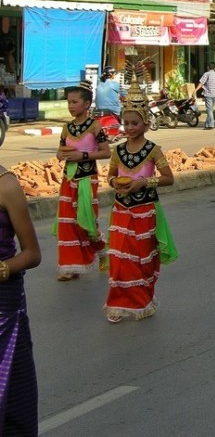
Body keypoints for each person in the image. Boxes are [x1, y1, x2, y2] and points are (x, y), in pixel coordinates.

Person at [105, 79, 177, 322]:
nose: (130, 127)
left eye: (135, 122)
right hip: (121, 210)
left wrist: (144, 182)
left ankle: (141, 301)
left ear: (146, 122)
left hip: (145, 211)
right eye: (126, 122)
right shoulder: (117, 151)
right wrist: (116, 184)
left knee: (141, 259)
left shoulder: (153, 150)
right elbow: (110, 177)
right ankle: (116, 304)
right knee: (117, 258)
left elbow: (169, 178)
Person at [53, 81, 111, 280]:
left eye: (75, 102)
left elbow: (106, 152)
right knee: (67, 223)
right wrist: (61, 155)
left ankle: (102, 249)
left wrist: (82, 156)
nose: (70, 106)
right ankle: (70, 267)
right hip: (68, 179)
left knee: (85, 223)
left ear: (87, 104)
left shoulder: (95, 125)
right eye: (69, 102)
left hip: (87, 178)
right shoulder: (66, 128)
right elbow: (61, 150)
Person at [0, 164, 41, 434]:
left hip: (4, 307)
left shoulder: (6, 185)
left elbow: (32, 253)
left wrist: (2, 269)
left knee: (11, 394)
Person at [195, 62, 215, 130]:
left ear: (208, 67)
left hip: (209, 94)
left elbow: (201, 83)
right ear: (214, 68)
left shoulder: (207, 74)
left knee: (209, 110)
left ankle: (211, 125)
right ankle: (207, 124)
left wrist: (195, 90)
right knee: (210, 110)